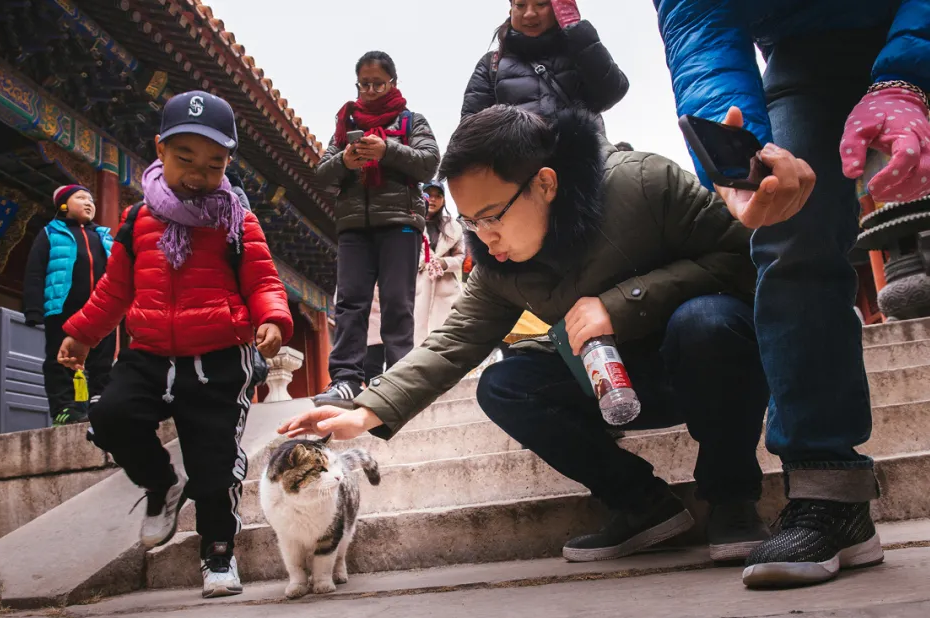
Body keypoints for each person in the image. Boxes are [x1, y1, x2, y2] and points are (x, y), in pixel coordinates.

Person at [282, 106, 781, 564]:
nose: (485, 235)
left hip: (700, 367)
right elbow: (451, 342)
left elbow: (741, 262)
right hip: (607, 381)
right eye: (470, 221)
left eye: (493, 215)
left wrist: (623, 302)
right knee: (504, 385)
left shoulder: (645, 183)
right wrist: (367, 409)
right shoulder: (498, 264)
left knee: (707, 322)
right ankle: (643, 505)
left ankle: (733, 498)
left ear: (545, 184)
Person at [654, 0, 930, 588]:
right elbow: (699, 25)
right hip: (810, 44)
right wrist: (743, 163)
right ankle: (827, 491)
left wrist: (907, 81)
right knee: (789, 231)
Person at [57, 91, 293, 599]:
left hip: (217, 361)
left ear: (228, 164)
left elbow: (263, 280)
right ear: (160, 150)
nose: (198, 173)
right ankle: (160, 483)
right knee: (111, 416)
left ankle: (218, 556)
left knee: (213, 466)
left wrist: (273, 317)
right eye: (185, 158)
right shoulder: (138, 220)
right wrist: (81, 331)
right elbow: (116, 290)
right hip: (147, 355)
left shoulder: (236, 220)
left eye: (214, 164)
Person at [314, 51, 440, 410]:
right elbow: (322, 174)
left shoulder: (411, 121)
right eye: (364, 84)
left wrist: (387, 150)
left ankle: (399, 379)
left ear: (393, 83)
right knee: (350, 303)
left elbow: (430, 162)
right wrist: (345, 161)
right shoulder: (345, 123)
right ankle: (345, 381)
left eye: (377, 83)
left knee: (398, 302)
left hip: (400, 223)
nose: (369, 90)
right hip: (354, 225)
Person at [24, 185, 116, 426]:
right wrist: (34, 309)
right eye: (81, 198)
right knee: (61, 359)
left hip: (102, 310)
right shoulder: (51, 233)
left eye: (91, 199)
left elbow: (119, 274)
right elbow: (35, 271)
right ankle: (64, 407)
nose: (89, 203)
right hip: (62, 308)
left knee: (102, 358)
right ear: (63, 205)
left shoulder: (105, 236)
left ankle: (100, 400)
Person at [461, 0, 629, 123]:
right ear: (511, 10)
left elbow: (612, 91)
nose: (530, 13)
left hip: (582, 162)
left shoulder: (579, 52)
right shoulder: (492, 63)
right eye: (520, 5)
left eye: (541, 4)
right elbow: (469, 128)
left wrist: (576, 29)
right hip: (517, 164)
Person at [414, 180, 465, 346]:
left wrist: (443, 263)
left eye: (438, 196)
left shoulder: (453, 226)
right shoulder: (411, 222)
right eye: (429, 194)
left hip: (446, 292)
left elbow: (460, 258)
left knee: (445, 341)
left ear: (443, 200)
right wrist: (423, 261)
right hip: (417, 289)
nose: (433, 199)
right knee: (416, 342)